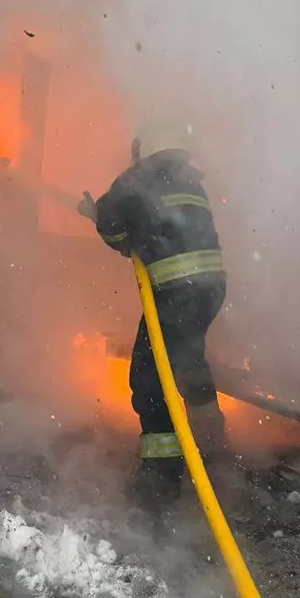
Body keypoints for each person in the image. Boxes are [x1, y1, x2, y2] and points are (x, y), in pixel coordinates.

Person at [79, 121, 229, 518]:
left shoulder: (139, 178)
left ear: (143, 151)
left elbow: (111, 223)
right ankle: (214, 448)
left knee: (150, 376)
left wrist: (98, 219)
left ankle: (161, 479)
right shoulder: (191, 182)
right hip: (210, 289)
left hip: (176, 290)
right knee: (190, 359)